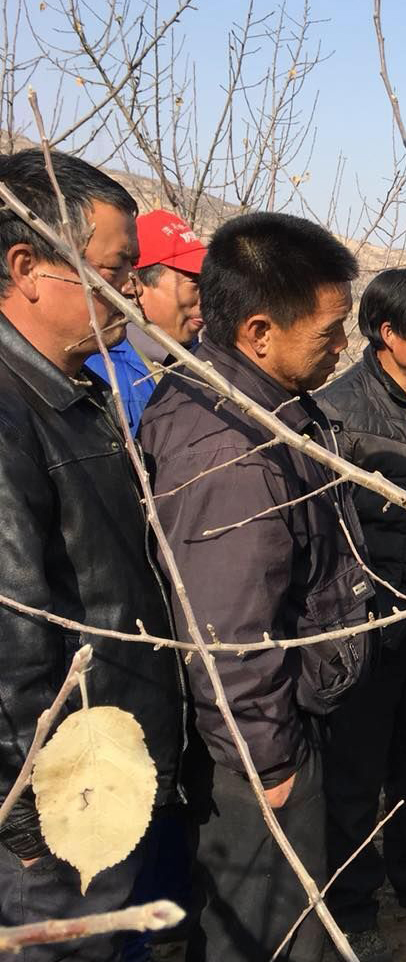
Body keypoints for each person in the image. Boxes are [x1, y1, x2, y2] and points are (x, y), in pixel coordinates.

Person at [141, 211, 374, 962]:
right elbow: (228, 631)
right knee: (274, 935)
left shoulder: (263, 403)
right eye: (330, 330)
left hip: (279, 721)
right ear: (260, 332)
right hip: (256, 752)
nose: (343, 346)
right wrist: (269, 763)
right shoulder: (231, 452)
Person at [0, 148, 184, 962]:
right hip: (64, 798)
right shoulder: (11, 415)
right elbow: (12, 639)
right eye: (113, 269)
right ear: (27, 269)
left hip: (112, 767)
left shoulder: (85, 393)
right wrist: (30, 816)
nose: (130, 291)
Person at [315, 268, 406, 960]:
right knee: (355, 769)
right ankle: (351, 905)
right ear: (388, 333)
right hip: (368, 618)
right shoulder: (338, 412)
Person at [84, 209, 205, 433]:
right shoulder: (98, 370)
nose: (206, 300)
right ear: (136, 284)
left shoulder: (207, 366)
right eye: (195, 285)